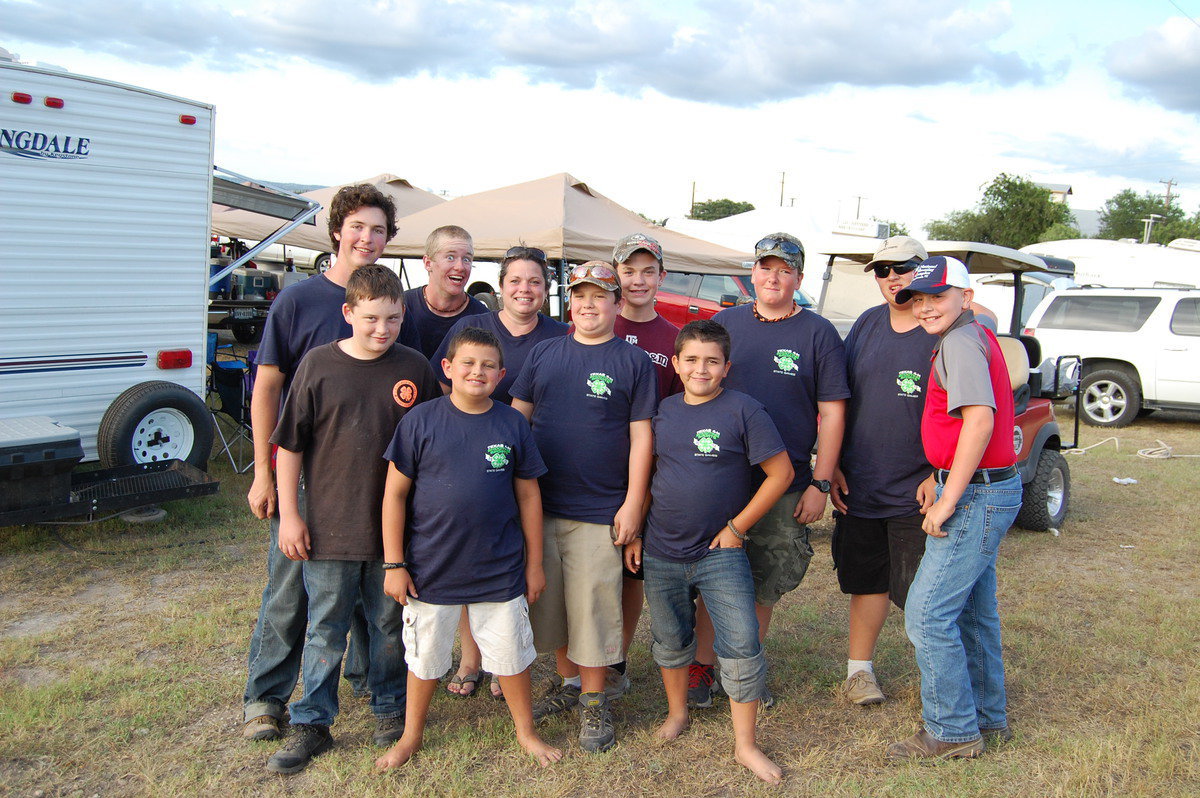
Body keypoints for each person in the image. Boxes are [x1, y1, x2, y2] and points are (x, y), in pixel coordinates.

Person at [264, 266, 441, 774]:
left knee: (389, 625)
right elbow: (289, 447)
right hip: (327, 527)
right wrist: (291, 514)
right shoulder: (317, 366)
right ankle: (312, 721)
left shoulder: (415, 368)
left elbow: (433, 442)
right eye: (369, 319)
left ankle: (389, 708)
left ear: (403, 314)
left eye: (391, 318)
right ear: (348, 314)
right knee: (326, 627)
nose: (381, 329)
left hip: (395, 534)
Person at [241, 184, 398, 742]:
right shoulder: (298, 301)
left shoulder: (390, 303)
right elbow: (267, 389)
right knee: (292, 588)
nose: (367, 238)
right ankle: (265, 696)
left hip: (372, 479)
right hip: (305, 472)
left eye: (378, 229)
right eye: (358, 226)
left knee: (367, 591)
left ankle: (366, 680)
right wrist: (265, 473)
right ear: (337, 231)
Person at [374, 328, 563, 770]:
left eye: (487, 366)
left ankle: (527, 732)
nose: (477, 372)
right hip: (430, 569)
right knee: (425, 658)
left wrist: (534, 564)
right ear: (448, 368)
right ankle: (410, 736)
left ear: (501, 374)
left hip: (498, 568)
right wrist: (394, 563)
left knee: (512, 655)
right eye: (467, 364)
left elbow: (530, 496)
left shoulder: (511, 423)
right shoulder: (420, 421)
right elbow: (394, 496)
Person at [626, 319, 793, 784]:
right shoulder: (662, 413)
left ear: (726, 368)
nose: (701, 368)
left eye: (712, 361)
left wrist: (737, 528)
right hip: (662, 548)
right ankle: (677, 713)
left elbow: (779, 475)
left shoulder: (745, 411)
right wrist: (637, 530)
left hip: (720, 551)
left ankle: (745, 744)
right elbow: (648, 476)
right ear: (676, 364)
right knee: (670, 639)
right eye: (692, 359)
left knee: (740, 642)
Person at [689, 233, 848, 709]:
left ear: (798, 277)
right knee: (711, 573)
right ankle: (702, 666)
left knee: (764, 579)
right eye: (765, 268)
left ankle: (747, 669)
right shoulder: (724, 323)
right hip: (720, 475)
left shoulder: (818, 333)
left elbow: (834, 414)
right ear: (752, 273)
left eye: (785, 270)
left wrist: (821, 481)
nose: (773, 277)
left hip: (785, 481)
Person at [510, 261, 657, 753]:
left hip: (599, 509)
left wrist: (634, 502)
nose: (589, 304)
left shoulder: (633, 362)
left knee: (593, 604)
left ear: (619, 304)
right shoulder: (544, 353)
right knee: (550, 606)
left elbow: (642, 437)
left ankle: (595, 700)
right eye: (580, 295)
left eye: (600, 296)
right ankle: (570, 683)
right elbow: (516, 422)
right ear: (568, 302)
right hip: (541, 506)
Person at [887, 256, 1022, 761]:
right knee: (971, 610)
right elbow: (964, 427)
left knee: (927, 613)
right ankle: (988, 717)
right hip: (984, 486)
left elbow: (980, 423)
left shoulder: (961, 342)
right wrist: (938, 473)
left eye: (936, 297)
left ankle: (952, 730)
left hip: (977, 495)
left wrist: (949, 496)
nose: (925, 308)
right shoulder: (972, 334)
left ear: (965, 298)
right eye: (917, 300)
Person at [429, 245, 568, 698]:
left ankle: (504, 659)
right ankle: (472, 659)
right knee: (474, 554)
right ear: (501, 286)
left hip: (538, 458)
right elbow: (442, 384)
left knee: (511, 560)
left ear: (545, 290)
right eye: (515, 281)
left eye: (534, 281)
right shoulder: (473, 329)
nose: (524, 289)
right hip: (476, 462)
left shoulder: (561, 334)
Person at [829, 236, 937, 706]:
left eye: (904, 266)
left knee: (924, 594)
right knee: (866, 581)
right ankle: (859, 673)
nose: (892, 277)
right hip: (861, 482)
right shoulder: (868, 324)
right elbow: (839, 400)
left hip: (920, 488)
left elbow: (964, 411)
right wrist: (829, 466)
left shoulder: (940, 327)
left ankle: (940, 678)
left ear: (925, 269)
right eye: (882, 269)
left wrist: (942, 473)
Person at [610, 232, 684, 690]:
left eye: (647, 271)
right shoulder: (595, 321)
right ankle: (582, 661)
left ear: (662, 276)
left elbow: (680, 410)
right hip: (592, 468)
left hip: (649, 469)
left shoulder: (674, 339)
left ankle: (615, 659)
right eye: (629, 270)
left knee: (630, 568)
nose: (638, 280)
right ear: (615, 274)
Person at [400, 225, 489, 358]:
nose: (460, 267)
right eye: (450, 257)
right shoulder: (402, 307)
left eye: (466, 259)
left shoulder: (481, 318)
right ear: (428, 263)